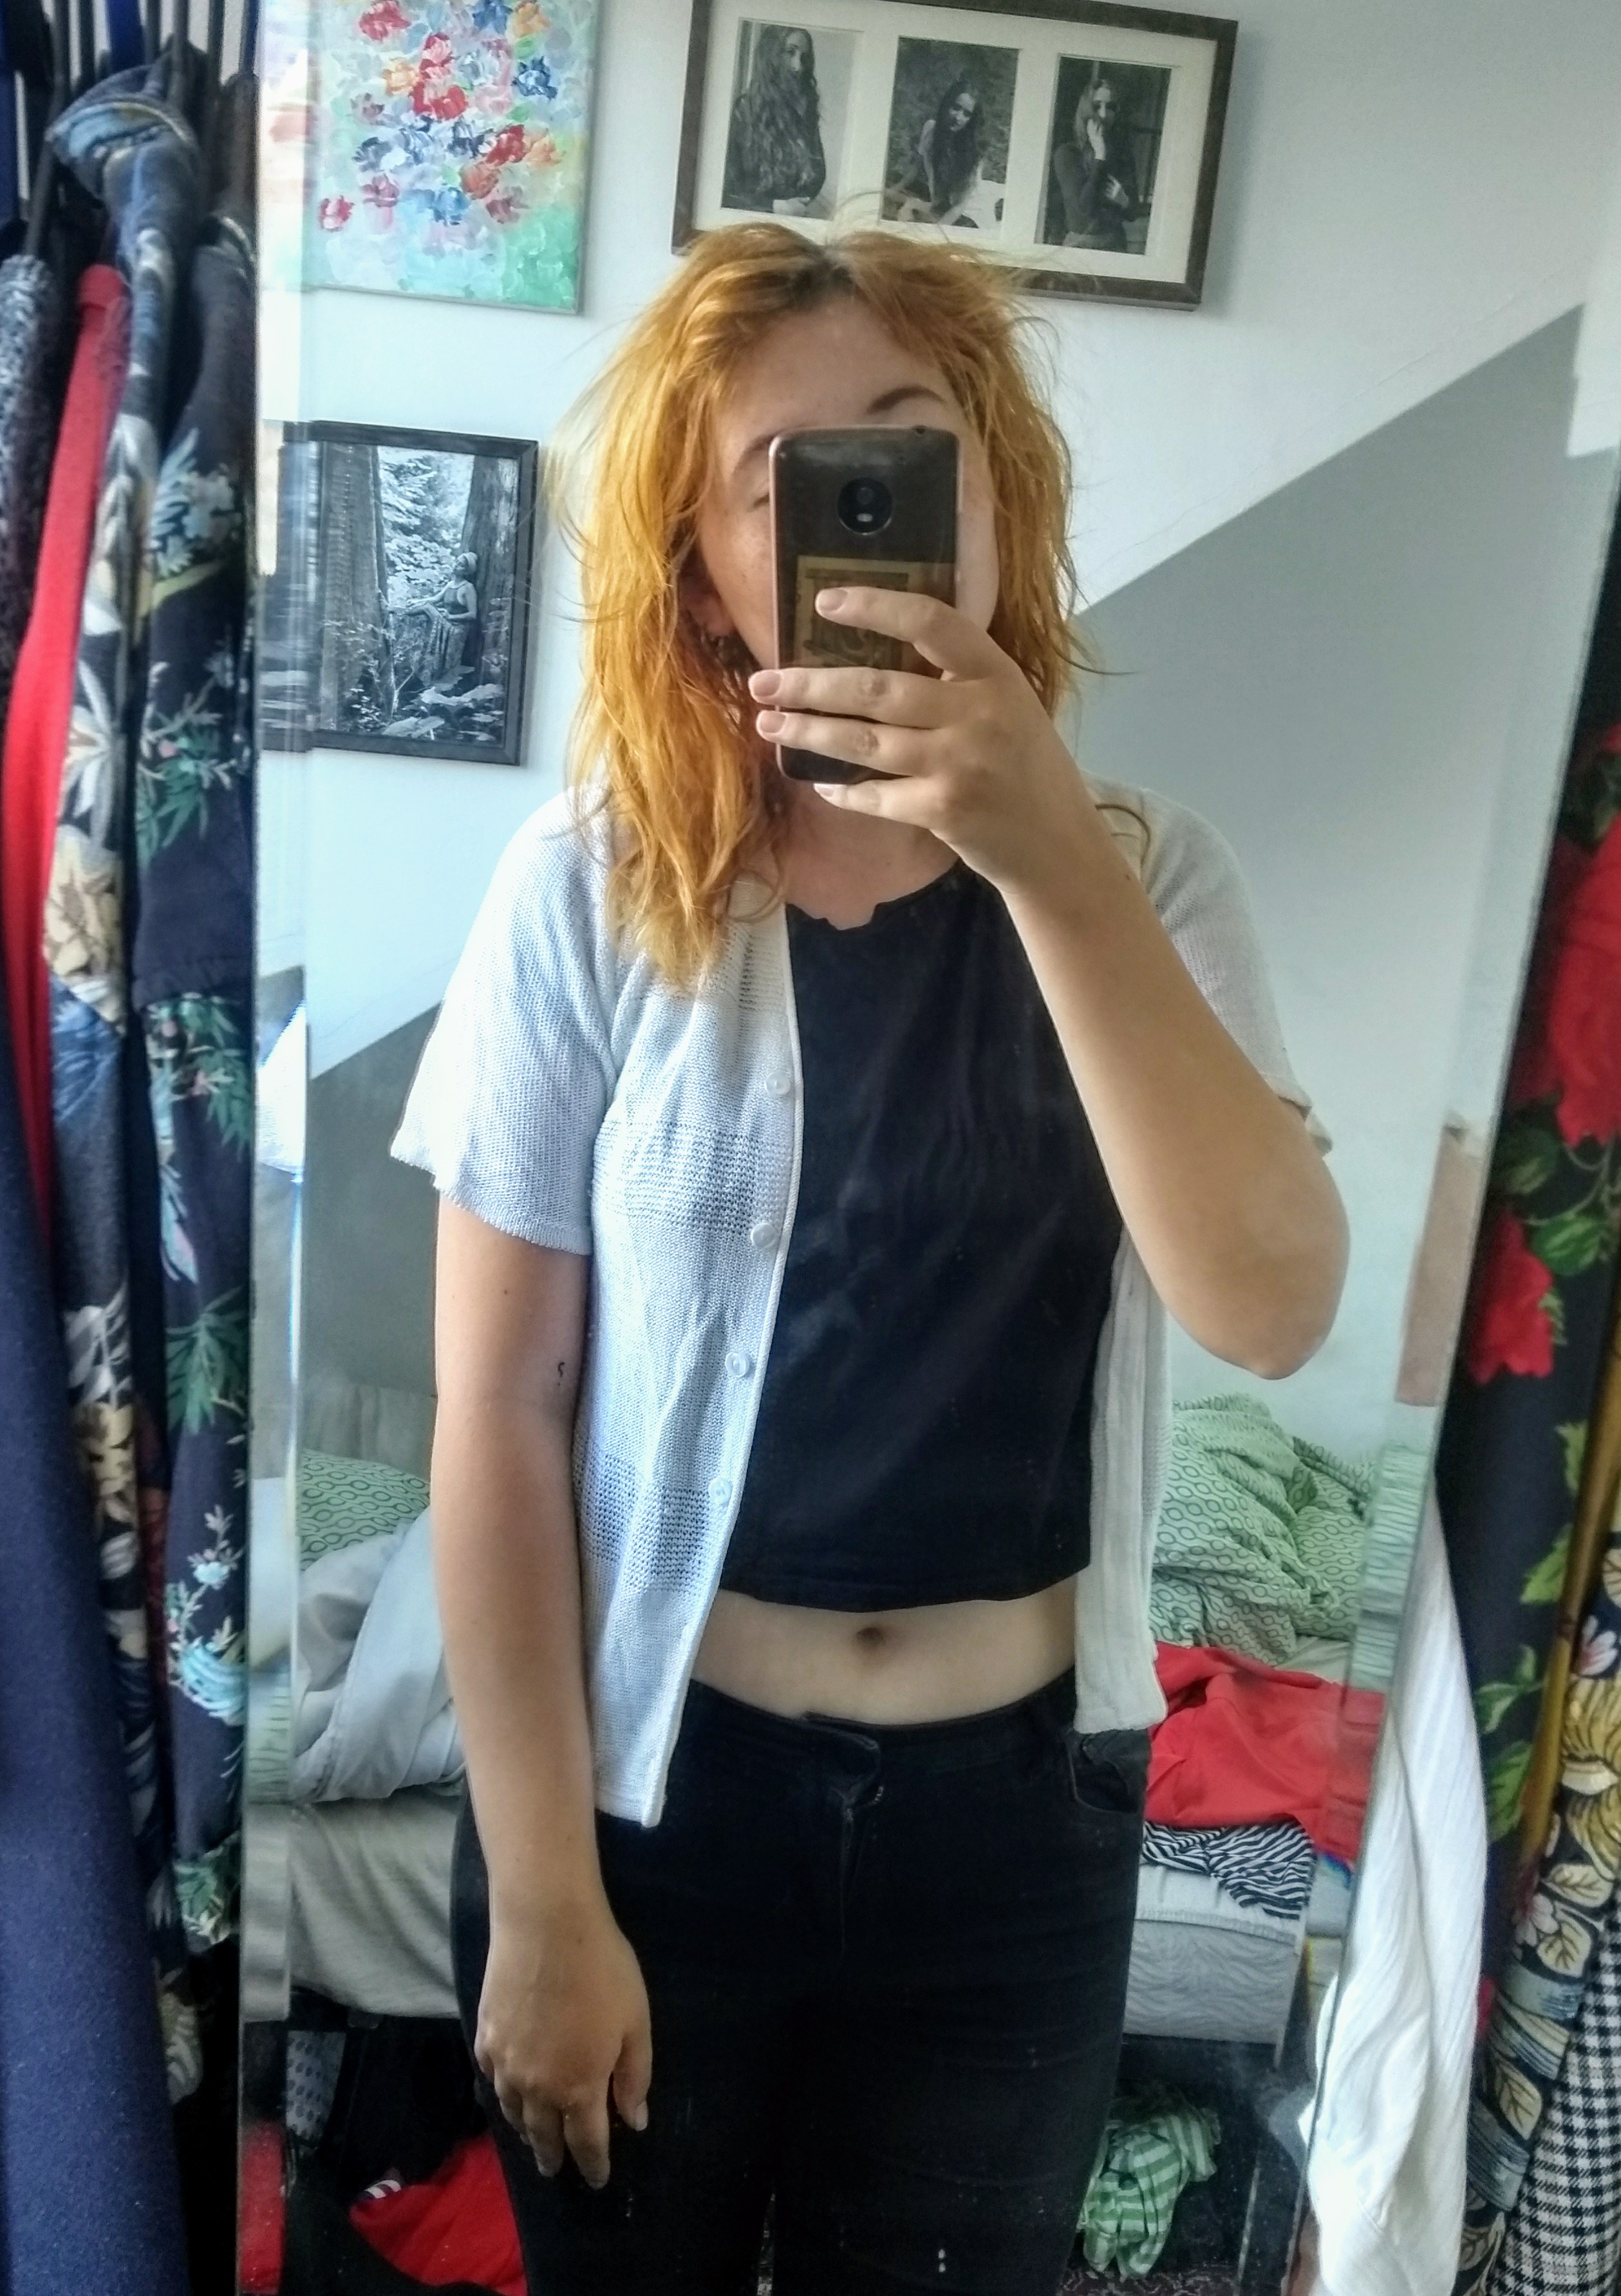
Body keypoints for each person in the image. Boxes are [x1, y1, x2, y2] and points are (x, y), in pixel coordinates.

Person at [391, 224, 1347, 2296]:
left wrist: (1046, 854)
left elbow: (1270, 1303)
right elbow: (496, 1407)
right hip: (654, 1798)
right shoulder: (588, 887)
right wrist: (542, 1896)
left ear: (996, 490)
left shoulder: (1150, 876)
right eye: (784, 484)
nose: (862, 520)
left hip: (1013, 1837)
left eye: (910, 450)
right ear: (702, 577)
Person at [721, 26, 825, 218]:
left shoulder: (804, 112)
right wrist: (774, 206)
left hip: (795, 219)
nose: (798, 66)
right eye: (790, 53)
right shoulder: (742, 110)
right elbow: (726, 189)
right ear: (771, 56)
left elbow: (817, 175)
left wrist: (797, 203)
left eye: (804, 57)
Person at [1047, 73, 1141, 251]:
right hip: (1080, 245)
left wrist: (1124, 201)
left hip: (1115, 244)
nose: (1104, 115)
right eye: (1097, 106)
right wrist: (1100, 156)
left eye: (1110, 107)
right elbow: (1084, 210)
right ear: (1086, 110)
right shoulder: (1067, 154)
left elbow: (1133, 213)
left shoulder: (1122, 154)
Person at [885, 72, 985, 227]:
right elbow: (917, 166)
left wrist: (936, 231)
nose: (958, 118)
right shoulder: (931, 130)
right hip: (938, 204)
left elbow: (959, 206)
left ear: (972, 120)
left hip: (964, 216)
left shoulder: (974, 154)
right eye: (956, 108)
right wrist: (893, 190)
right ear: (947, 105)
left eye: (967, 114)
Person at [422, 550, 480, 686]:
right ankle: (401, 611)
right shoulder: (450, 584)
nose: (456, 565)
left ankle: (447, 687)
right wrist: (416, 601)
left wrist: (451, 617)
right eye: (456, 562)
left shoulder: (468, 588)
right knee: (426, 607)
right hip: (445, 624)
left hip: (457, 629)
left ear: (467, 571)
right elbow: (435, 599)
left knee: (427, 609)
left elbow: (473, 614)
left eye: (461, 565)